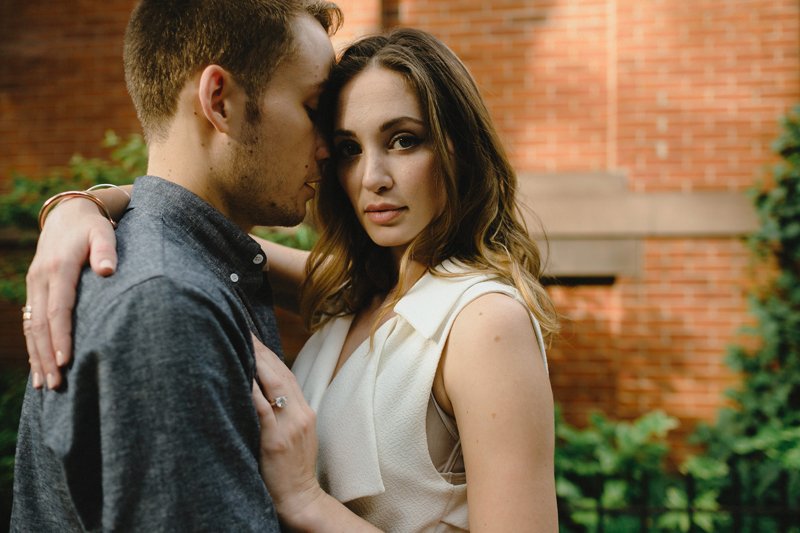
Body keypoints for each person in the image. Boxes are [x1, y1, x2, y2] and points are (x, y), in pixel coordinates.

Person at [23, 28, 560, 532]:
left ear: (457, 148)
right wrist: (79, 207)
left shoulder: (485, 322)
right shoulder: (357, 291)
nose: (372, 177)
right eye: (349, 148)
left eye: (403, 140)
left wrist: (307, 501)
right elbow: (189, 234)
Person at [12, 0, 342, 530]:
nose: (328, 147)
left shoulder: (188, 260)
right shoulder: (167, 305)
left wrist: (84, 200)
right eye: (313, 107)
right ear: (220, 101)